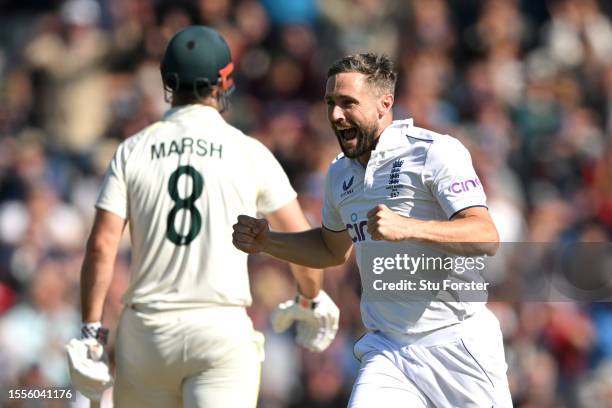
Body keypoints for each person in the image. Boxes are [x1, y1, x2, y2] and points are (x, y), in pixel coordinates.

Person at [65, 25, 339, 408]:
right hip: (219, 329)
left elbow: (102, 245)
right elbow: (300, 238)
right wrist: (310, 299)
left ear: (168, 82)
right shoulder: (248, 151)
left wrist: (92, 331)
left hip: (147, 333)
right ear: (224, 82)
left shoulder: (133, 150)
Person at [233, 53, 513, 407]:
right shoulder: (339, 174)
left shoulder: (434, 152)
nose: (336, 115)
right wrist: (268, 241)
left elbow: (486, 236)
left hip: (457, 344)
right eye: (330, 103)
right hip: (388, 350)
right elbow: (330, 249)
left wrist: (407, 228)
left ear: (385, 104)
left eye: (348, 103)